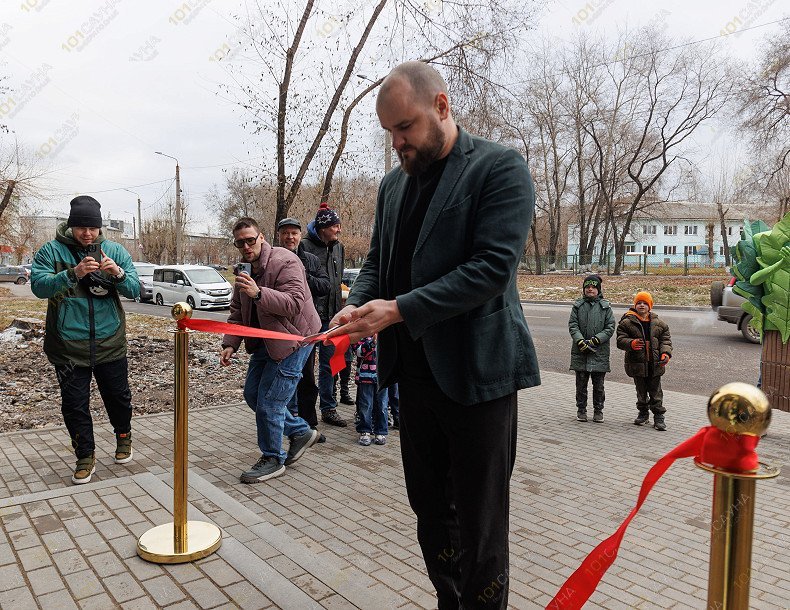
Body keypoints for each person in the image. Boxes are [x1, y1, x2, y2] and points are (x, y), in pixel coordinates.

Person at [327, 61, 539, 609]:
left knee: (481, 520)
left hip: (478, 378)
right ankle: (450, 600)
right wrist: (353, 309)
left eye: (406, 127)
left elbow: (491, 269)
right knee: (429, 509)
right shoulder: (393, 185)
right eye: (389, 133)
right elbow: (380, 260)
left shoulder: (499, 168)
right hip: (416, 381)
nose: (397, 143)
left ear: (442, 106)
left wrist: (397, 311)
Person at [30, 195, 140, 485]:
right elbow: (39, 287)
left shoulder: (114, 250)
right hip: (68, 347)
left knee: (118, 398)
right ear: (71, 225)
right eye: (81, 227)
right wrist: (72, 273)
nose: (87, 233)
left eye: (92, 228)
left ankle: (124, 435)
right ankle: (85, 456)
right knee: (74, 404)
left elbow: (135, 289)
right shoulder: (51, 252)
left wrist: (116, 273)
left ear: (100, 227)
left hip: (110, 341)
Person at [220, 217, 321, 483]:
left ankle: (273, 458)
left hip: (294, 339)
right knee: (253, 395)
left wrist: (258, 293)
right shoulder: (243, 270)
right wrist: (230, 343)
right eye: (240, 242)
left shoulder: (285, 261)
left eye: (250, 240)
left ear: (261, 237)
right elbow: (237, 312)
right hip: (265, 340)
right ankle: (300, 432)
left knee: (271, 402)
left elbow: (294, 304)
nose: (246, 246)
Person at [277, 217, 330, 443]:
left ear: (300, 236)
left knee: (306, 375)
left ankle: (308, 422)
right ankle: (286, 422)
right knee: (282, 377)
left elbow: (325, 286)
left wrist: (302, 273)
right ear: (279, 235)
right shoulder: (272, 259)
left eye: (294, 233)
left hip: (306, 329)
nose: (290, 237)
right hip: (279, 329)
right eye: (286, 233)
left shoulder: (310, 260)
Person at [302, 202, 348, 427]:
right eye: (335, 226)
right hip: (310, 318)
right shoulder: (305, 248)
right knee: (306, 367)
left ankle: (329, 408)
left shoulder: (339, 247)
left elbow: (337, 283)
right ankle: (304, 414)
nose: (339, 230)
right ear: (323, 228)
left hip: (333, 317)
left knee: (331, 363)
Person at [616, 291, 672, 431]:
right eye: (639, 303)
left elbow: (665, 341)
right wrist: (631, 343)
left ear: (650, 306)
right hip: (637, 363)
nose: (641, 305)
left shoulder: (660, 324)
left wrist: (665, 353)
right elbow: (620, 340)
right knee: (641, 390)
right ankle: (643, 412)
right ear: (635, 305)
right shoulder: (627, 322)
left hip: (655, 363)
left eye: (645, 303)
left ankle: (659, 417)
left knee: (656, 391)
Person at [568, 274, 615, 423]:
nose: (590, 289)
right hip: (580, 352)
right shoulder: (577, 306)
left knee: (598, 386)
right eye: (587, 286)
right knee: (581, 385)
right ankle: (581, 410)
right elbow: (573, 325)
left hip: (599, 353)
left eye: (593, 287)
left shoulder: (605, 307)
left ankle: (598, 410)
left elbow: (610, 327)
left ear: (598, 289)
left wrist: (596, 340)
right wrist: (580, 341)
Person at [353, 335, 389, 446]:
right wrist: (372, 342)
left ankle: (380, 431)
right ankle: (365, 431)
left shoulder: (386, 333)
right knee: (365, 405)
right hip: (365, 377)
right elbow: (359, 352)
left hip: (382, 376)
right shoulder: (360, 334)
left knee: (382, 405)